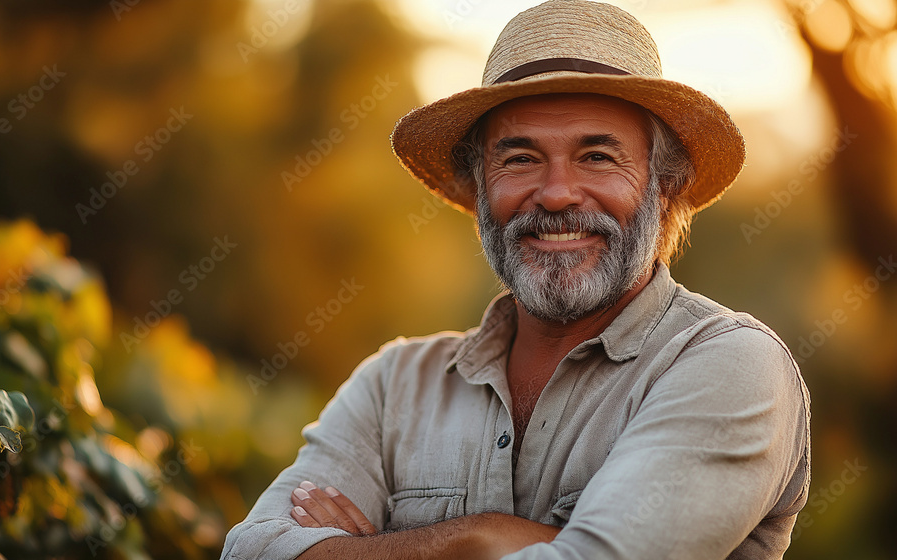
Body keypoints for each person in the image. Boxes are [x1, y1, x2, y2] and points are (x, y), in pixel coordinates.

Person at [221, 1, 811, 558]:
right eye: (520, 158)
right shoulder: (393, 385)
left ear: (663, 186)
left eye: (598, 157)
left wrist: (406, 545)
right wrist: (476, 541)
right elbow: (248, 549)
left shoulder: (729, 365)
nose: (555, 193)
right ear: (480, 191)